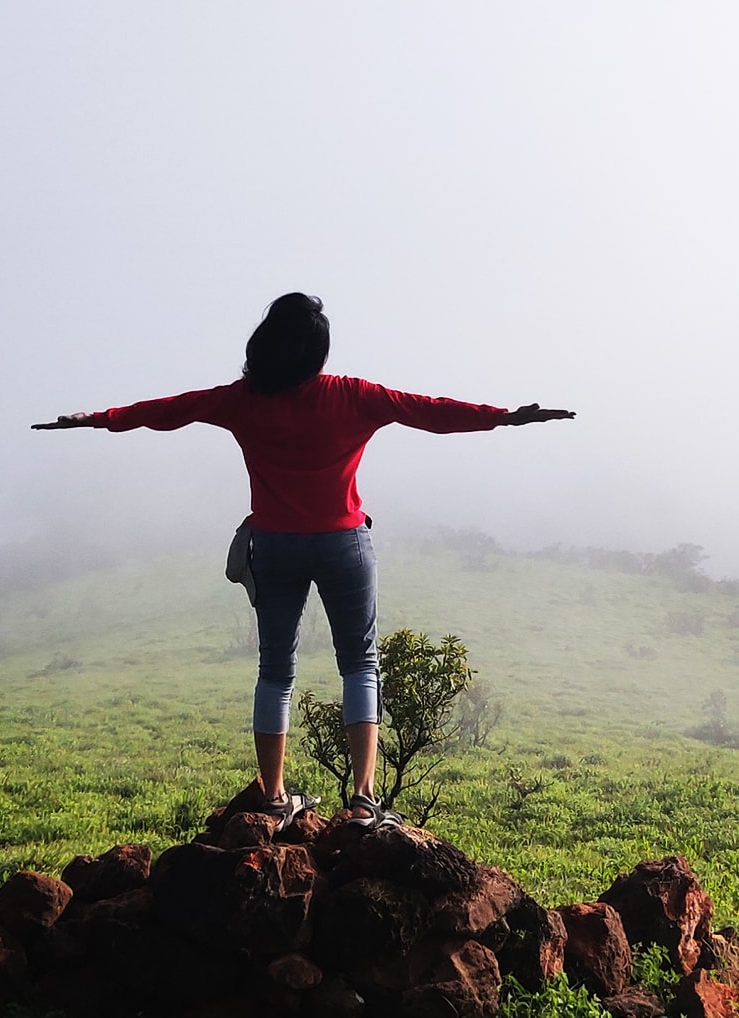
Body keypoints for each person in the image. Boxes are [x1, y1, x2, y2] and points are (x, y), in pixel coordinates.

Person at [32, 293, 573, 830]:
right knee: (360, 664)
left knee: (275, 671)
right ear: (319, 351)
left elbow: (170, 411)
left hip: (275, 546)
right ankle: (363, 800)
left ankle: (272, 797)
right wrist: (504, 418)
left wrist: (99, 419)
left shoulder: (242, 400)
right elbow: (429, 412)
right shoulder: (353, 396)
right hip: (343, 543)